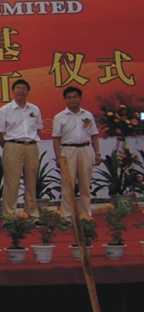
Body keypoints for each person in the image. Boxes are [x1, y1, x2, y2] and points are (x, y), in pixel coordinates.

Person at [0, 79, 43, 218]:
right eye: (18, 88)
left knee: (31, 183)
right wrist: (9, 147)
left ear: (28, 91)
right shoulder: (4, 110)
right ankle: (9, 216)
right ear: (13, 91)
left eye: (24, 88)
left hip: (31, 147)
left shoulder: (34, 109)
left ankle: (31, 215)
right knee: (11, 183)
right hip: (12, 146)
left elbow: (38, 129)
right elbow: (0, 133)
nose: (21, 91)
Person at [52, 86, 101, 218]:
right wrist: (58, 157)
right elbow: (56, 139)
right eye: (69, 98)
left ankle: (85, 213)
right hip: (68, 150)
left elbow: (94, 135)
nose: (72, 100)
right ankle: (67, 215)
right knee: (68, 185)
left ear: (80, 98)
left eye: (75, 97)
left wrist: (98, 153)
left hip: (85, 149)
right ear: (65, 99)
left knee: (85, 184)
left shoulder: (88, 115)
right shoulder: (59, 117)